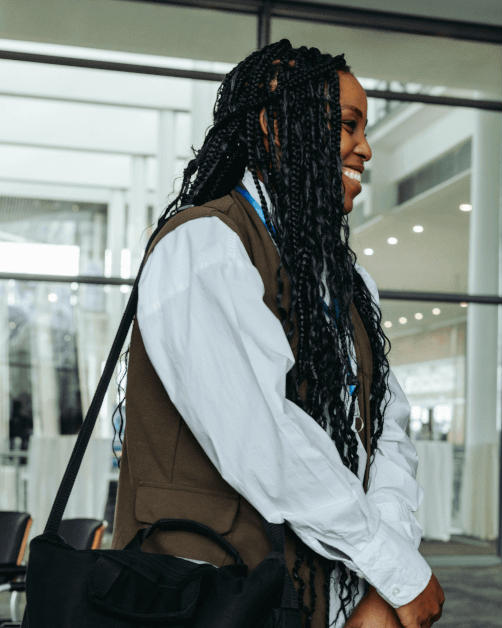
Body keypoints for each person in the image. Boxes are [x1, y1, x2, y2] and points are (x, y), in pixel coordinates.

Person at [111, 40, 444, 628]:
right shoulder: (203, 246)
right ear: (272, 126)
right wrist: (395, 568)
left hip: (325, 597)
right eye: (347, 125)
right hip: (207, 594)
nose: (365, 148)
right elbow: (258, 436)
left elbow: (387, 431)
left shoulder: (347, 278)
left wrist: (381, 582)